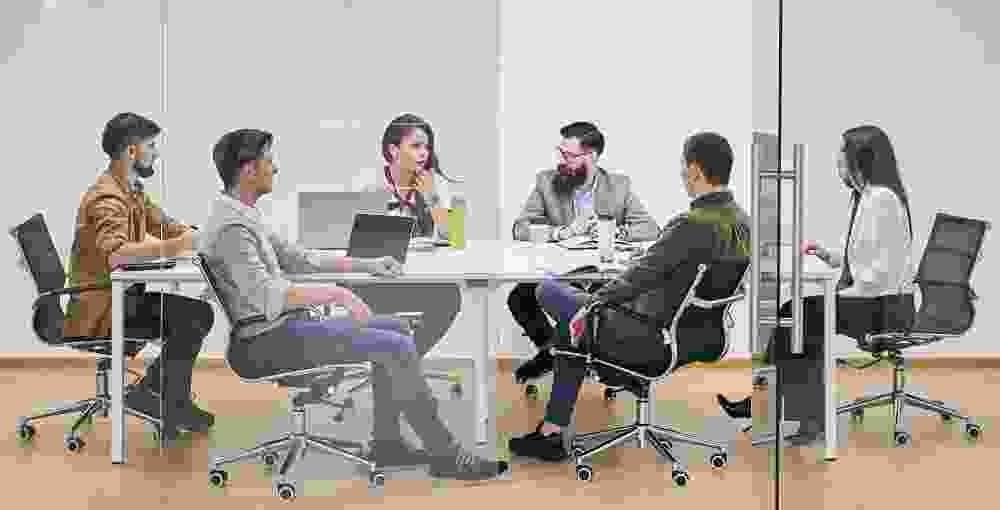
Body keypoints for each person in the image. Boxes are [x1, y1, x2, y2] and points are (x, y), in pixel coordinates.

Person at [198, 128, 508, 480]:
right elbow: (267, 295)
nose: (276, 167)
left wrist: (367, 265)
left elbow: (301, 259)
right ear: (248, 170)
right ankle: (445, 453)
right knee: (393, 344)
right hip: (265, 343)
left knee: (396, 330)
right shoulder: (232, 228)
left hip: (282, 330)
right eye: (269, 160)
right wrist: (339, 294)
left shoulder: (244, 215)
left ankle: (388, 442)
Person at [508, 132, 750, 461]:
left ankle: (553, 429)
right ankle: (550, 430)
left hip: (647, 336)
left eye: (683, 164)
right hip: (699, 335)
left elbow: (637, 279)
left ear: (695, 170)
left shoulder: (689, 225)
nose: (681, 172)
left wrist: (593, 303)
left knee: (548, 290)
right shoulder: (743, 222)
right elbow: (663, 273)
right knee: (571, 327)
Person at [717, 125, 915, 445]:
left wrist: (836, 293)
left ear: (859, 158)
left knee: (800, 315)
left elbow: (882, 274)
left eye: (842, 153)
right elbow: (865, 257)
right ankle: (780, 409)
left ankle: (777, 408)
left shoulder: (881, 200)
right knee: (798, 315)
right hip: (873, 298)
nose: (837, 160)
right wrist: (829, 256)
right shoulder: (866, 197)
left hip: (885, 306)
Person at [64, 112, 215, 441]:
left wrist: (200, 236)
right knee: (192, 317)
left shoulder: (131, 191)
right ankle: (162, 398)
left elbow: (163, 224)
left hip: (120, 299)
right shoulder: (106, 198)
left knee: (197, 314)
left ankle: (160, 395)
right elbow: (117, 254)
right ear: (132, 151)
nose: (156, 154)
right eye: (152, 146)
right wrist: (178, 245)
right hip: (102, 310)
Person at [508, 121, 660, 386]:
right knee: (520, 298)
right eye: (561, 153)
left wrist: (612, 231)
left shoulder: (618, 186)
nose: (562, 160)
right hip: (560, 271)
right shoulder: (547, 182)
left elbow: (650, 228)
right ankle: (552, 352)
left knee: (592, 304)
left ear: (592, 156)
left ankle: (568, 355)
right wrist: (561, 232)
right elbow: (520, 228)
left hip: (600, 275)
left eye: (569, 155)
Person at [354, 113, 462, 362]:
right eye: (416, 146)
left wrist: (432, 198)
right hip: (372, 280)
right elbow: (358, 243)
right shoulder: (370, 184)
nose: (424, 153)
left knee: (450, 297)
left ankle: (406, 360)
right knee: (380, 315)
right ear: (393, 150)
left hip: (417, 276)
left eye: (427, 147)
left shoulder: (437, 183)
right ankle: (397, 364)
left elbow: (454, 237)